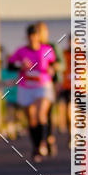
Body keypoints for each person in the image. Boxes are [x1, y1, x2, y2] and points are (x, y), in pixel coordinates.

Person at [8, 25, 56, 162]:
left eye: (35, 35)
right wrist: (20, 65)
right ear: (27, 37)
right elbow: (10, 65)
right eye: (30, 36)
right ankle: (36, 147)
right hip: (26, 86)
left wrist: (53, 69)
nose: (32, 38)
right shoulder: (21, 51)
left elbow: (54, 64)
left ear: (38, 36)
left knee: (41, 115)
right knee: (31, 118)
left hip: (42, 85)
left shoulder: (46, 50)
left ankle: (42, 143)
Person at [36, 21, 61, 156]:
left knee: (48, 112)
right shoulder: (33, 48)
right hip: (34, 84)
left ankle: (49, 138)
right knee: (38, 114)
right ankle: (41, 141)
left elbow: (60, 64)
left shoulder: (51, 47)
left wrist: (55, 69)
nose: (40, 35)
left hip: (49, 83)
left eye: (42, 32)